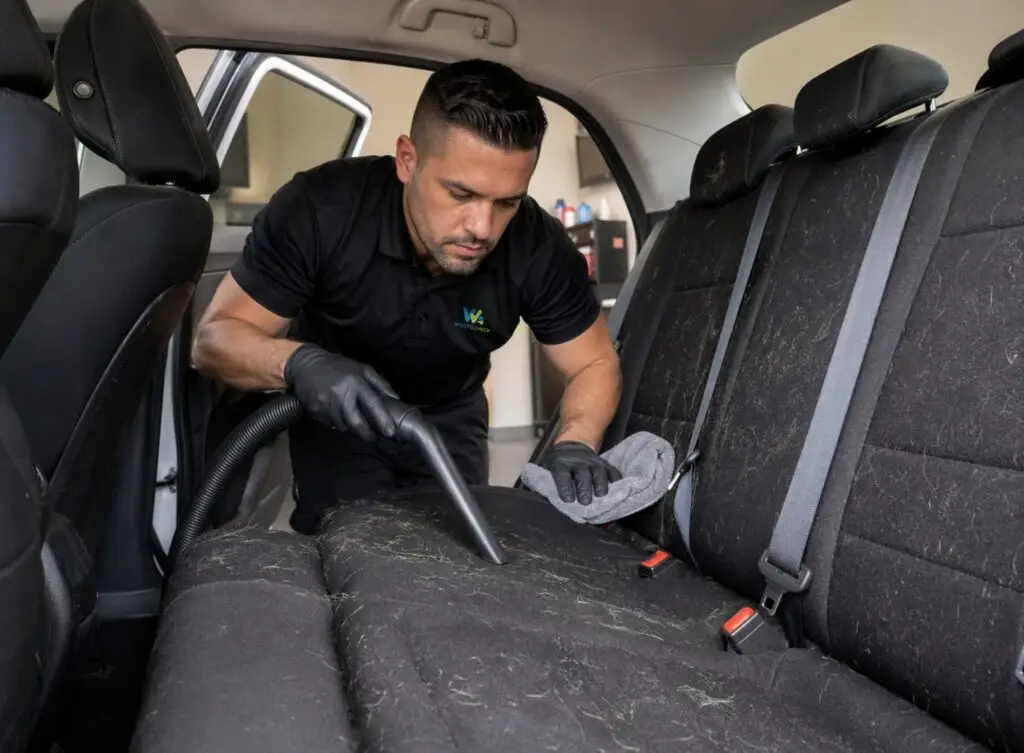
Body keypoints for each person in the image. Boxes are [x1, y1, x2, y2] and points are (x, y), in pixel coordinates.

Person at [192, 58, 623, 534]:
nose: (482, 228)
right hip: (341, 415)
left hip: (450, 416)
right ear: (407, 160)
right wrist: (300, 363)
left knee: (454, 554)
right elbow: (215, 340)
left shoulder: (538, 248)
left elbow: (593, 363)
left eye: (506, 202)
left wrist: (577, 442)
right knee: (348, 547)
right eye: (460, 194)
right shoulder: (321, 210)